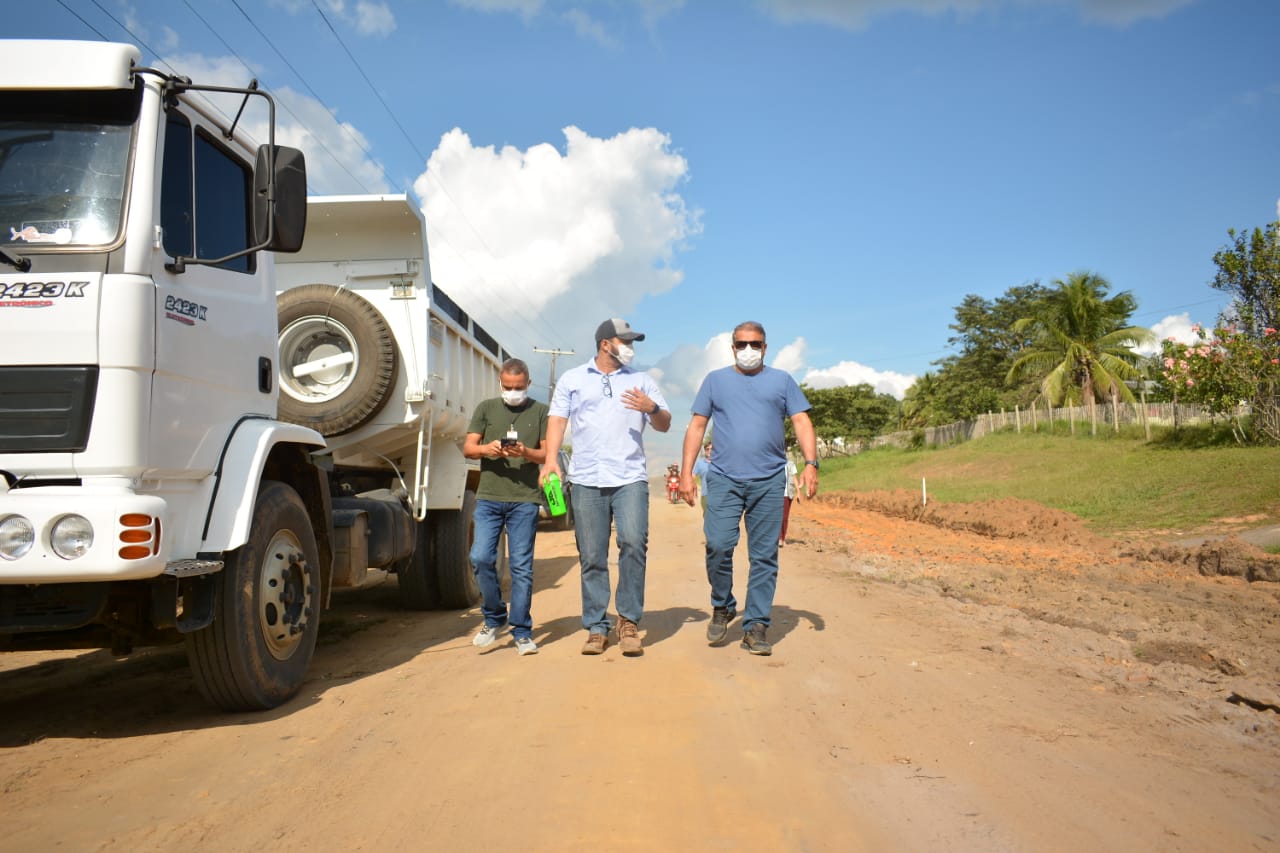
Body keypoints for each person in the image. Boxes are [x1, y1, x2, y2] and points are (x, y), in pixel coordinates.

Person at [678, 321, 818, 656]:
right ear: (732, 347)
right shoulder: (715, 381)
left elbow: (801, 420)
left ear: (765, 347)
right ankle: (722, 604)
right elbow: (698, 425)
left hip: (769, 480)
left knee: (764, 556)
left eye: (755, 344)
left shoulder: (782, 381)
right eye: (741, 344)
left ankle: (756, 625)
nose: (748, 350)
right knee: (717, 544)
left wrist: (811, 464)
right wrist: (686, 473)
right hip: (724, 478)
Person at [541, 318, 671, 656]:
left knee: (633, 543)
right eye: (625, 341)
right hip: (585, 478)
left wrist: (651, 408)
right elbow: (557, 419)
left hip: (630, 477)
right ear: (604, 344)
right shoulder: (573, 379)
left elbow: (664, 423)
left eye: (632, 341)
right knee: (592, 554)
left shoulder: (641, 381)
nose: (630, 347)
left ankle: (628, 621)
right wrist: (551, 459)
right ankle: (596, 626)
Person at [462, 358, 549, 656]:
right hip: (488, 497)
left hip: (525, 500)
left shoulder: (540, 411)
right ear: (501, 384)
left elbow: (547, 454)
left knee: (521, 567)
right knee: (481, 557)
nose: (513, 392)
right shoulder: (486, 408)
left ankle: (522, 631)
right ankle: (494, 617)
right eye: (508, 387)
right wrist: (488, 449)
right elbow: (469, 447)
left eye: (519, 387)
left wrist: (525, 451)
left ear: (528, 383)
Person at [779, 452, 800, 547]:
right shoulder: (775, 464)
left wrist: (799, 492)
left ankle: (782, 538)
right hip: (776, 494)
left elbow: (795, 479)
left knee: (784, 517)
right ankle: (778, 538)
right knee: (776, 516)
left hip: (788, 494)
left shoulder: (791, 464)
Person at [691, 441, 712, 514]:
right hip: (706, 495)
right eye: (707, 449)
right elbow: (692, 477)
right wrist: (693, 490)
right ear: (705, 451)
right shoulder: (700, 463)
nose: (710, 451)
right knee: (707, 518)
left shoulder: (720, 462)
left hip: (720, 495)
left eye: (712, 449)